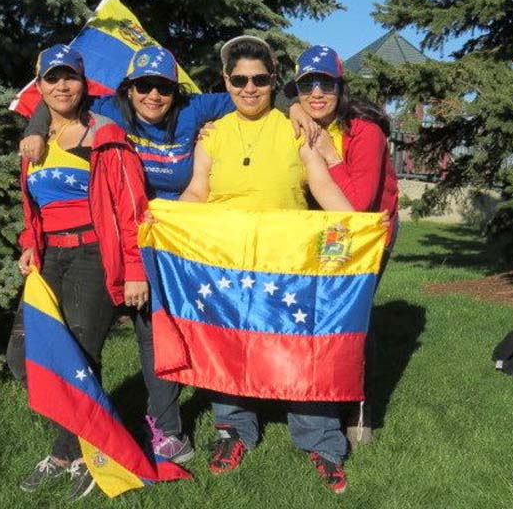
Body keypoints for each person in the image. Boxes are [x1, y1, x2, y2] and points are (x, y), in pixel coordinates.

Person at [17, 45, 318, 462]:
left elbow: (248, 89)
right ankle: (96, 428)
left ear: (177, 91)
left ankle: (166, 429)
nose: (153, 96)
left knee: (156, 335)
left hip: (178, 243)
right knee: (99, 336)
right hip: (122, 237)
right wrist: (34, 126)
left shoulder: (194, 110)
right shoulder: (113, 111)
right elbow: (59, 102)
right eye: (143, 86)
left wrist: (293, 106)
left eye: (163, 87)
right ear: (129, 89)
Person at [178, 35, 355, 494]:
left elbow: (321, 185)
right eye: (239, 80)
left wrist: (357, 228)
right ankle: (233, 431)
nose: (249, 88)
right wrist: (169, 220)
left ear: (273, 81)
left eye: (259, 79)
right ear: (226, 82)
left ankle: (321, 442)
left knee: (300, 348)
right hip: (226, 261)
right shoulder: (213, 134)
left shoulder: (297, 129)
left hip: (286, 262)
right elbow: (198, 190)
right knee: (229, 347)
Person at [10, 44, 149, 501]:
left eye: (70, 77)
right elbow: (33, 207)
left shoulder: (104, 135)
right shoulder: (34, 142)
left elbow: (131, 209)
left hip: (93, 256)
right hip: (49, 259)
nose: (62, 85)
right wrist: (29, 244)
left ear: (83, 83)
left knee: (81, 361)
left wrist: (134, 270)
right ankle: (83, 438)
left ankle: (72, 454)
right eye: (52, 78)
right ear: (41, 85)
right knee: (22, 356)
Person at [286, 44, 399, 447]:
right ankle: (319, 398)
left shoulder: (364, 132)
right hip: (327, 232)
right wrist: (293, 109)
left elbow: (358, 205)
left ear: (340, 87)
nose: (316, 93)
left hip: (370, 232)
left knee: (352, 319)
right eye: (306, 85)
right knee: (322, 316)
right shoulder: (302, 116)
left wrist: (332, 155)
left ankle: (359, 409)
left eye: (326, 84)